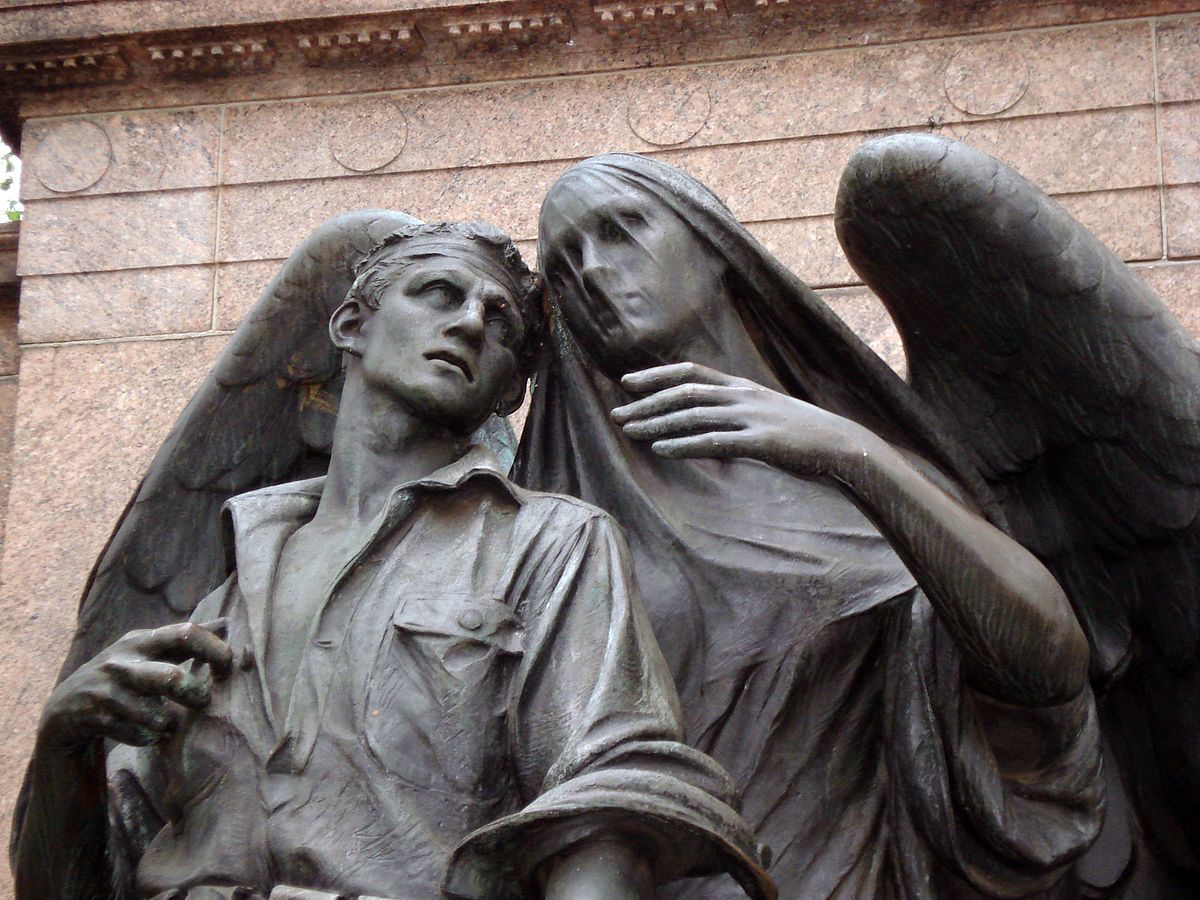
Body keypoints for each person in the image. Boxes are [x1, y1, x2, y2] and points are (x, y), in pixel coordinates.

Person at [13, 220, 774, 900]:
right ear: (350, 324)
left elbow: (615, 790)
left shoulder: (547, 543)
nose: (471, 322)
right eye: (439, 293)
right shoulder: (225, 593)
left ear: (509, 388)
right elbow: (75, 883)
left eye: (500, 321)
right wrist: (62, 747)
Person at [516, 153, 1104, 898]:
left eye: (621, 230)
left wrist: (852, 456)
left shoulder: (877, 470)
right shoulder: (555, 509)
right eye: (563, 265)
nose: (593, 273)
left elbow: (1049, 668)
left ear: (714, 245)